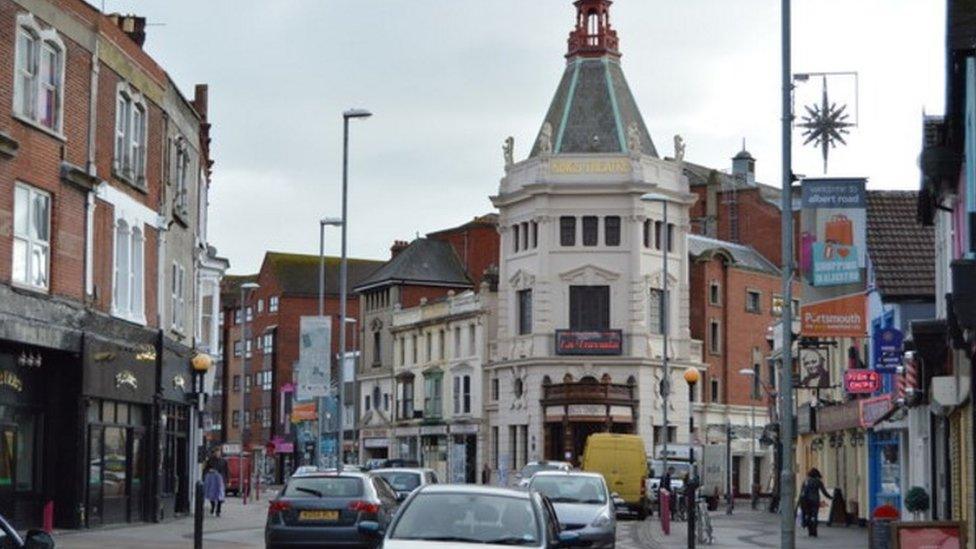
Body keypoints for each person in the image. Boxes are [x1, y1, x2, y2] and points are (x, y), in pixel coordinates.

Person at [799, 468, 832, 537]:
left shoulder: (805, 481)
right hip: (815, 500)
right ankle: (814, 531)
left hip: (806, 501)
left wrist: (800, 501)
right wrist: (831, 497)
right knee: (814, 516)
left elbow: (802, 492)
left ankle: (810, 530)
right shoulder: (818, 481)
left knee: (808, 514)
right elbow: (824, 492)